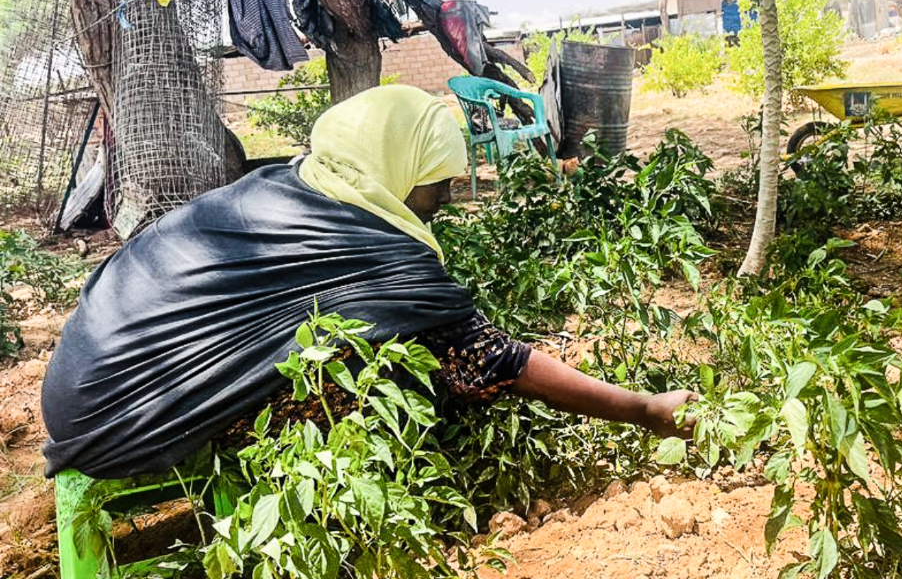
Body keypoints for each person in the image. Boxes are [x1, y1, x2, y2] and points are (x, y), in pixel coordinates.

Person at [40, 85, 697, 480]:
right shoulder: (369, 246)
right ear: (401, 165)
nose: (440, 201)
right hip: (123, 424)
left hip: (78, 385)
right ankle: (295, 481)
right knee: (387, 366)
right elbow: (497, 361)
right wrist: (644, 409)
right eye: (436, 182)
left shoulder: (295, 186)